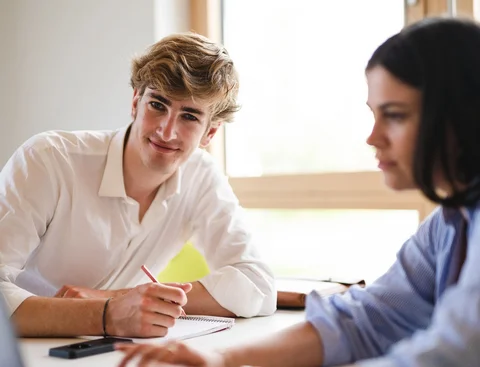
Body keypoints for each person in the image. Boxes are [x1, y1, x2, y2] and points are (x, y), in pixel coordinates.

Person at [115, 17, 480, 367]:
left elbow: (451, 357)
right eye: (375, 115)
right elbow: (368, 320)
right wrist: (223, 359)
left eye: (396, 116)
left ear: (460, 115)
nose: (372, 138)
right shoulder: (450, 223)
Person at [0, 32, 276, 338]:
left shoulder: (202, 177)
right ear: (135, 102)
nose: (167, 131)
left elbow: (258, 284)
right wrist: (105, 315)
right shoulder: (48, 159)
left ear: (210, 133)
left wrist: (116, 299)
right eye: (158, 104)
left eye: (189, 116)